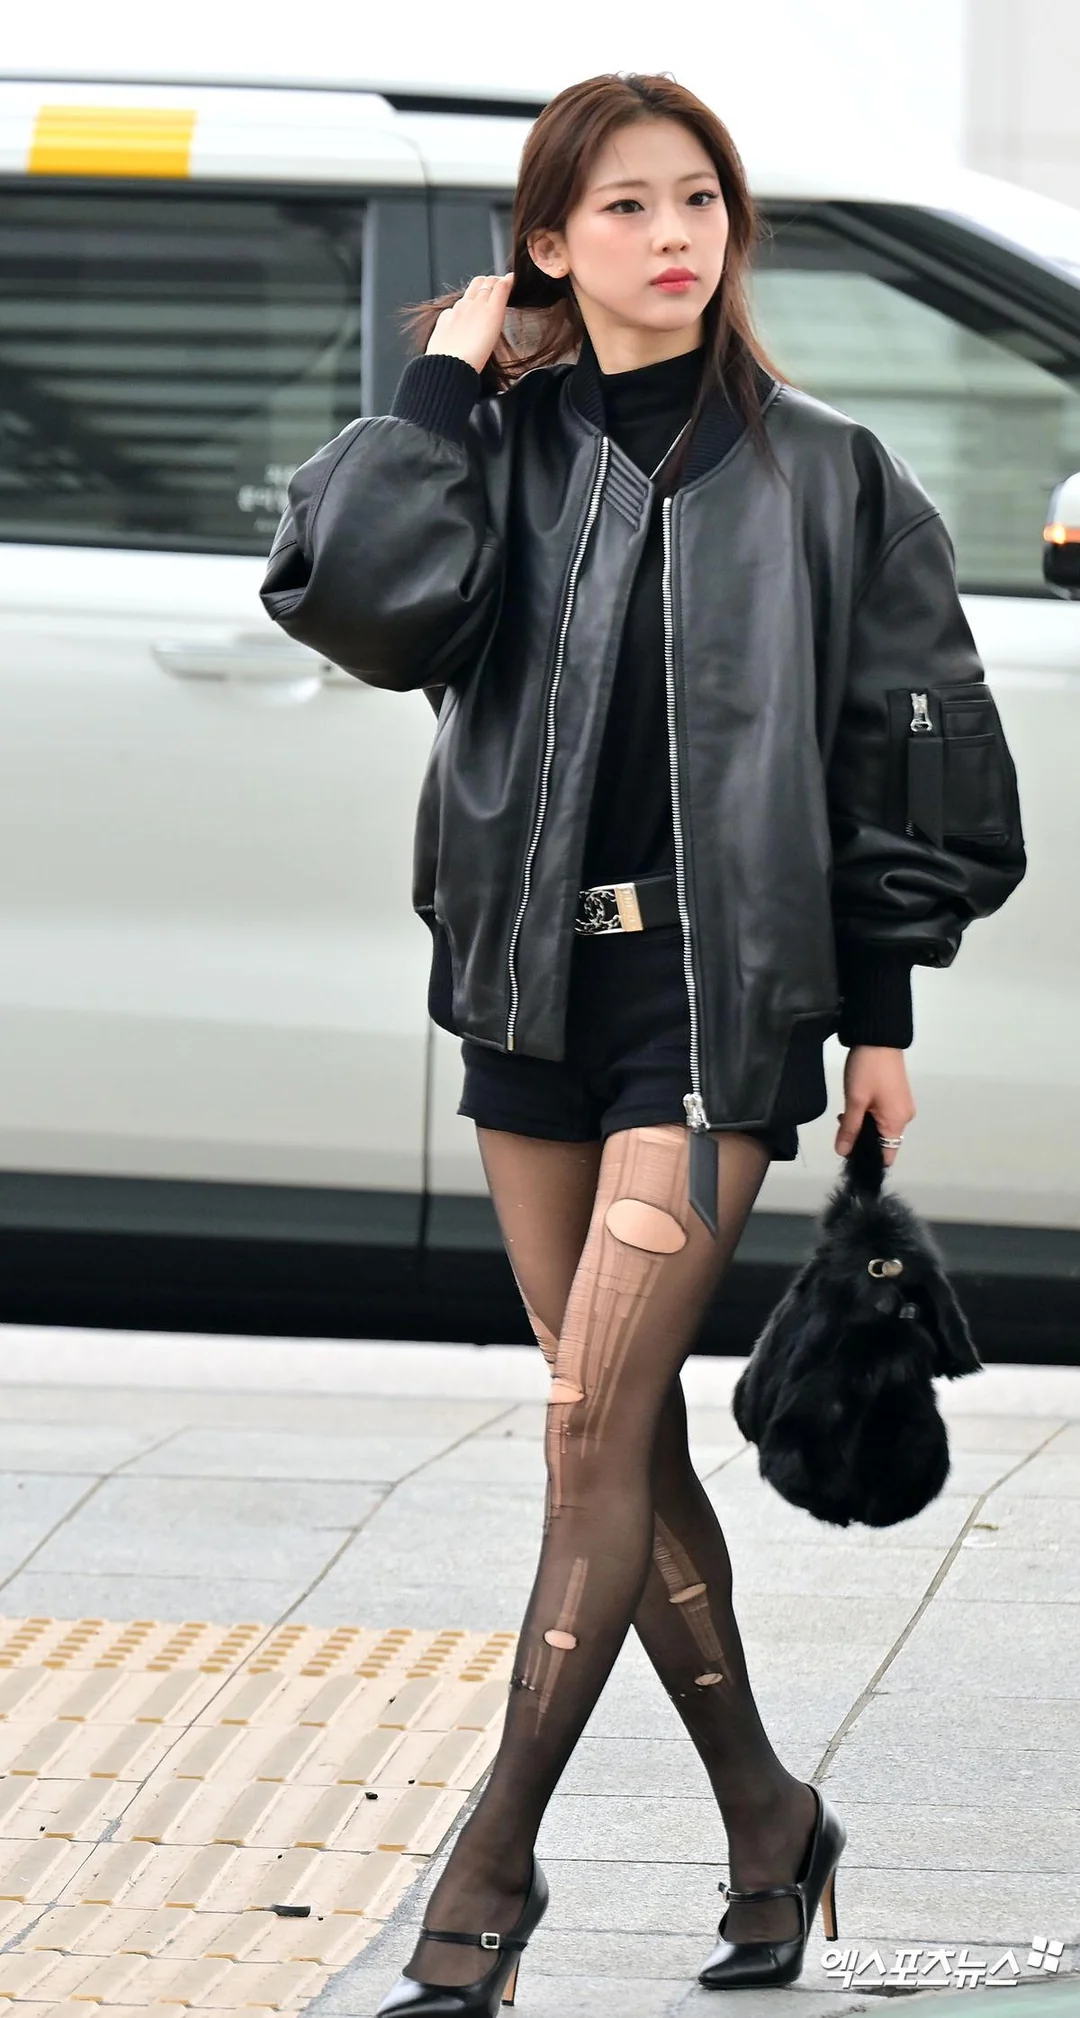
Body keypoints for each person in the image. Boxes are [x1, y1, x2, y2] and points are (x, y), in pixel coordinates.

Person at [260, 70, 1026, 2015]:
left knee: (588, 1426)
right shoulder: (495, 451)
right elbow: (363, 604)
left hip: (718, 998)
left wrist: (883, 1012)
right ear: (546, 242)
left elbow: (906, 750)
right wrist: (442, 386)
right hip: (531, 995)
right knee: (621, 1428)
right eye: (622, 206)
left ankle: (486, 1875)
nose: (673, 234)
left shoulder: (833, 473)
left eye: (699, 198)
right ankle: (771, 1820)